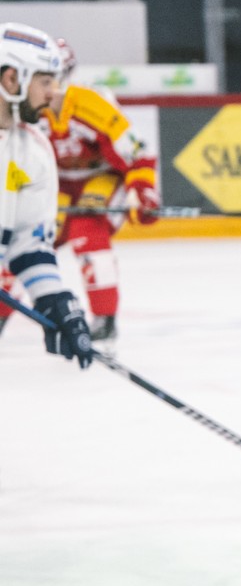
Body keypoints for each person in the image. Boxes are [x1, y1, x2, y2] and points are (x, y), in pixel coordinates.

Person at [14, 38, 157, 348]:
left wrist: (143, 192)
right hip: (56, 183)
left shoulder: (91, 104)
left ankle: (104, 320)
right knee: (20, 239)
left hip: (100, 179)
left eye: (54, 76)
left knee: (86, 231)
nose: (49, 87)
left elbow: (137, 153)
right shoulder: (20, 109)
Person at [0, 23, 92, 368]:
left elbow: (28, 244)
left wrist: (54, 300)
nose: (54, 93)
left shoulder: (33, 151)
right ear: (12, 80)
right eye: (45, 81)